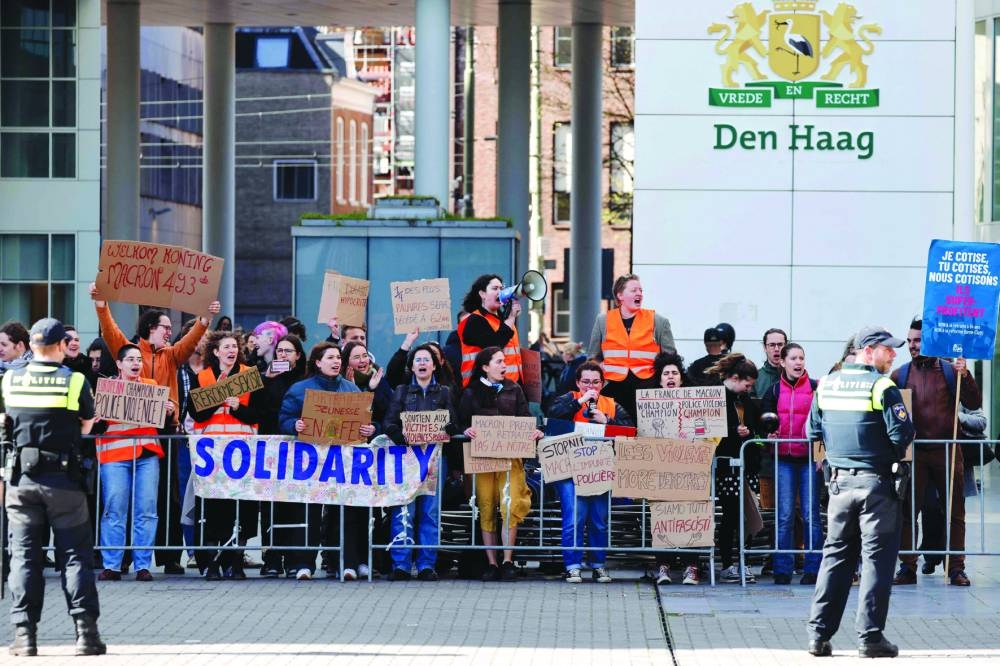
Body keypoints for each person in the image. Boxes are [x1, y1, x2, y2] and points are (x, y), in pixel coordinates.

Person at [806, 326, 914, 659]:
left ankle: (818, 636)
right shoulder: (882, 385)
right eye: (888, 349)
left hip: (839, 486)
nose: (894, 354)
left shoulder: (826, 384)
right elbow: (902, 434)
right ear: (867, 351)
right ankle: (869, 638)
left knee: (835, 559)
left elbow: (813, 430)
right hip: (876, 487)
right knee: (877, 562)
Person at [1, 318, 106, 656]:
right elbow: (87, 426)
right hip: (64, 482)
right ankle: (86, 636)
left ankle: (25, 637)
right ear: (62, 346)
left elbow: (5, 423)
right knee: (75, 558)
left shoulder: (10, 379)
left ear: (30, 346)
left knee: (25, 559)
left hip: (22, 481)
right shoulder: (74, 381)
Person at [891, 317, 979, 587]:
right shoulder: (900, 374)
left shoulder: (951, 371)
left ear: (930, 340)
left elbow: (974, 402)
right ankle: (907, 566)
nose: (912, 345)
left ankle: (956, 567)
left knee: (955, 512)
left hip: (948, 451)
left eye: (917, 340)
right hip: (914, 454)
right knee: (907, 512)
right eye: (909, 341)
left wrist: (965, 375)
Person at [278, 342, 375, 580]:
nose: (336, 362)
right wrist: (294, 425)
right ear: (318, 362)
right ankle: (304, 564)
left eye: (338, 358)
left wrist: (369, 428)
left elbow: (366, 420)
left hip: (343, 463)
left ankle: (347, 563)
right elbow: (284, 418)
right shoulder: (300, 389)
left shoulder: (351, 389)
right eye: (330, 358)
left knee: (346, 513)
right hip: (310, 463)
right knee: (309, 512)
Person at [457, 347, 543, 581]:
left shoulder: (514, 388)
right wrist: (465, 429)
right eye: (499, 361)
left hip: (509, 458)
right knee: (486, 505)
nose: (504, 365)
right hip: (482, 460)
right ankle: (491, 562)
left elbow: (525, 418)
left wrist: (534, 430)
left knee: (510, 503)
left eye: (505, 361)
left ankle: (507, 560)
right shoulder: (472, 391)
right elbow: (461, 420)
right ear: (485, 366)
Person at [547, 361, 633, 584]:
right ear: (577, 383)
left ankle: (598, 565)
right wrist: (579, 402)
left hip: (598, 470)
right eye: (585, 382)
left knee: (598, 519)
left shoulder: (612, 405)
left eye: (595, 382)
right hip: (569, 470)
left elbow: (629, 430)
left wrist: (607, 421)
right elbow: (553, 415)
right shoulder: (569, 399)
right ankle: (572, 566)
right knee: (574, 516)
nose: (591, 386)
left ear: (603, 384)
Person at [93, 344, 171, 582]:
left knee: (147, 510)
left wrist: (168, 412)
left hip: (146, 456)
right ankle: (112, 565)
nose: (136, 363)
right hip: (115, 457)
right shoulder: (107, 390)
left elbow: (161, 424)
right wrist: (96, 418)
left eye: (139, 359)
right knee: (114, 509)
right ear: (119, 364)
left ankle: (143, 566)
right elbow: (96, 426)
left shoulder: (151, 387)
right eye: (130, 360)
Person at [189, 331, 263, 580]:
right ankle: (212, 563)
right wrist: (218, 396)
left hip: (242, 454)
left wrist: (238, 407)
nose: (231, 350)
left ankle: (236, 562)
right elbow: (197, 415)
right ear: (216, 352)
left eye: (234, 346)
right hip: (213, 455)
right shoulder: (203, 377)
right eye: (226, 347)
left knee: (242, 507)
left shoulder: (248, 376)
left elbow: (259, 414)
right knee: (214, 508)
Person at [382, 343, 459, 581]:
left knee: (429, 513)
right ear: (412, 366)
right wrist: (402, 436)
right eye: (418, 360)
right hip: (406, 460)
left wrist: (442, 428)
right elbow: (389, 423)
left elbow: (453, 424)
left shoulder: (444, 393)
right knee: (403, 511)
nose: (422, 363)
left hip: (433, 460)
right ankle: (401, 565)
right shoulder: (402, 392)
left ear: (434, 365)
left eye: (427, 360)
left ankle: (426, 564)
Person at [761, 342, 822, 586]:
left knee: (811, 516)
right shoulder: (774, 392)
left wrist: (820, 456)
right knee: (784, 516)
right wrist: (768, 436)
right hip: (784, 460)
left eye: (801, 358)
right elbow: (764, 424)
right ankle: (782, 569)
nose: (798, 363)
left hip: (809, 461)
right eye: (793, 358)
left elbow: (823, 425)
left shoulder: (817, 389)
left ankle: (813, 568)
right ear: (783, 362)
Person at [647, 351, 702, 585]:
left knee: (691, 517)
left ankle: (691, 567)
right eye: (665, 373)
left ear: (681, 378)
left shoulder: (693, 403)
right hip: (662, 469)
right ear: (659, 380)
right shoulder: (648, 405)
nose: (670, 376)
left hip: (690, 469)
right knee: (663, 517)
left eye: (674, 373)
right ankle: (664, 566)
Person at [706, 353, 762, 583]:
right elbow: (711, 428)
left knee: (748, 516)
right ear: (737, 378)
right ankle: (728, 563)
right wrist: (733, 430)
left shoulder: (745, 400)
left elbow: (756, 426)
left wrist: (751, 432)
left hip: (746, 466)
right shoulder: (717, 397)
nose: (749, 389)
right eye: (747, 385)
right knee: (730, 516)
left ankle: (744, 560)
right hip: (727, 467)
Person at [588, 273, 675, 417]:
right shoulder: (603, 320)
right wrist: (599, 366)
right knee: (614, 431)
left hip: (647, 390)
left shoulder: (658, 321)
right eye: (634, 290)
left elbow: (671, 359)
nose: (639, 294)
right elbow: (592, 358)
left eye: (641, 291)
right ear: (620, 295)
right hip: (612, 388)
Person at [257, 334, 307, 578]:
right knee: (271, 505)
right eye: (280, 351)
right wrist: (266, 381)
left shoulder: (305, 380)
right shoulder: (266, 377)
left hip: (299, 452)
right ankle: (272, 556)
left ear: (298, 355)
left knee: (296, 505)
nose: (283, 355)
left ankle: (296, 557)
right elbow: (256, 409)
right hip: (272, 449)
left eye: (288, 351)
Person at [458, 275, 523, 388]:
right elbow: (495, 345)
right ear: (482, 294)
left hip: (512, 386)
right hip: (483, 389)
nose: (500, 292)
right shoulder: (474, 320)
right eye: (495, 288)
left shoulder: (503, 319)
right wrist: (512, 317)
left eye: (501, 288)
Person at [753, 328, 788, 399]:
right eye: (772, 345)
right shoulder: (755, 378)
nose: (776, 349)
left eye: (780, 344)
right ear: (765, 347)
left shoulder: (795, 376)